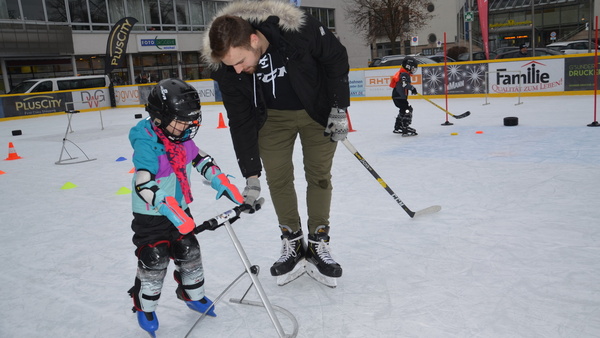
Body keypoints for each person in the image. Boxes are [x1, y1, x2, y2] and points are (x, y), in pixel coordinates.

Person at [202, 0, 350, 287]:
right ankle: (292, 241)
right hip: (270, 120)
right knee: (278, 179)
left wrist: (338, 108)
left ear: (253, 39)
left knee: (319, 175)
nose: (236, 70)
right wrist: (250, 175)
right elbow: (240, 119)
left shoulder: (298, 31)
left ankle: (318, 240)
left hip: (316, 111)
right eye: (230, 65)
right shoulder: (227, 70)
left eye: (241, 61)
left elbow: (336, 58)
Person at [127, 78, 244, 336]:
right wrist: (168, 208)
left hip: (180, 208)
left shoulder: (179, 137)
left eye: (191, 120)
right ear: (160, 118)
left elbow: (200, 158)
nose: (188, 127)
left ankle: (192, 295)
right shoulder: (146, 142)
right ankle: (145, 307)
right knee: (154, 258)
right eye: (182, 121)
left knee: (189, 251)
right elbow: (143, 183)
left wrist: (220, 180)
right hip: (151, 214)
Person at [390, 56, 419, 136]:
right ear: (408, 66)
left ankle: (398, 126)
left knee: (403, 110)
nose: (413, 70)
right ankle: (404, 127)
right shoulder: (403, 74)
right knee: (407, 110)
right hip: (399, 97)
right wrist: (412, 88)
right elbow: (404, 84)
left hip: (398, 96)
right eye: (413, 68)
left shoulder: (404, 73)